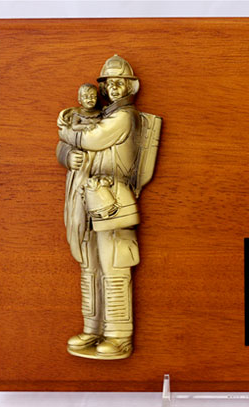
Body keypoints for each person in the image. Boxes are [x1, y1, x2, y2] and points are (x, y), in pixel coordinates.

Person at [56, 55, 159, 360]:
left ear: (131, 87)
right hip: (87, 199)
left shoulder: (124, 117)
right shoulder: (100, 114)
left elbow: (91, 139)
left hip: (114, 201)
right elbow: (72, 146)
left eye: (119, 83)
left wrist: (64, 130)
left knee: (114, 266)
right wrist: (66, 155)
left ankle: (118, 334)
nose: (113, 88)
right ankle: (93, 328)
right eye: (109, 83)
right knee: (90, 266)